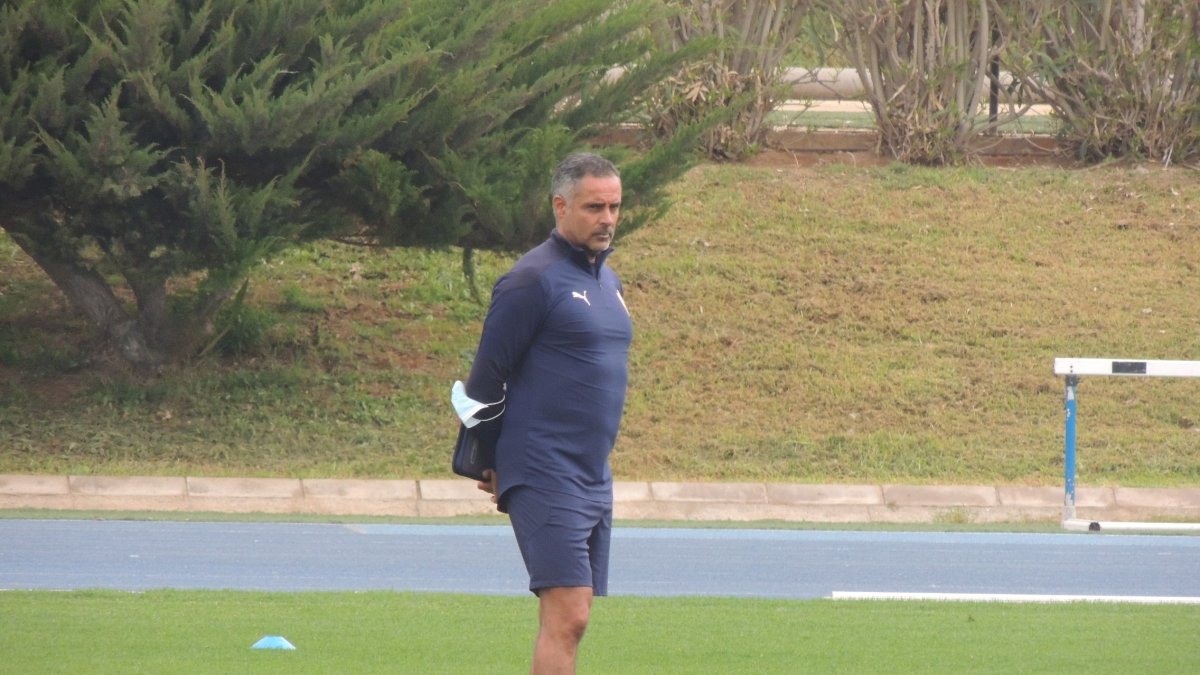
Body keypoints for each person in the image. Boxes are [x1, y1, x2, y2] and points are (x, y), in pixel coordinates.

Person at [459, 152, 631, 674]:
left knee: (576, 615)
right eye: (594, 207)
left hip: (591, 472)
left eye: (615, 207)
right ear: (560, 206)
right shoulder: (531, 279)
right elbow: (485, 382)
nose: (607, 219)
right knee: (568, 611)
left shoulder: (609, 281)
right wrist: (486, 459)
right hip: (543, 465)